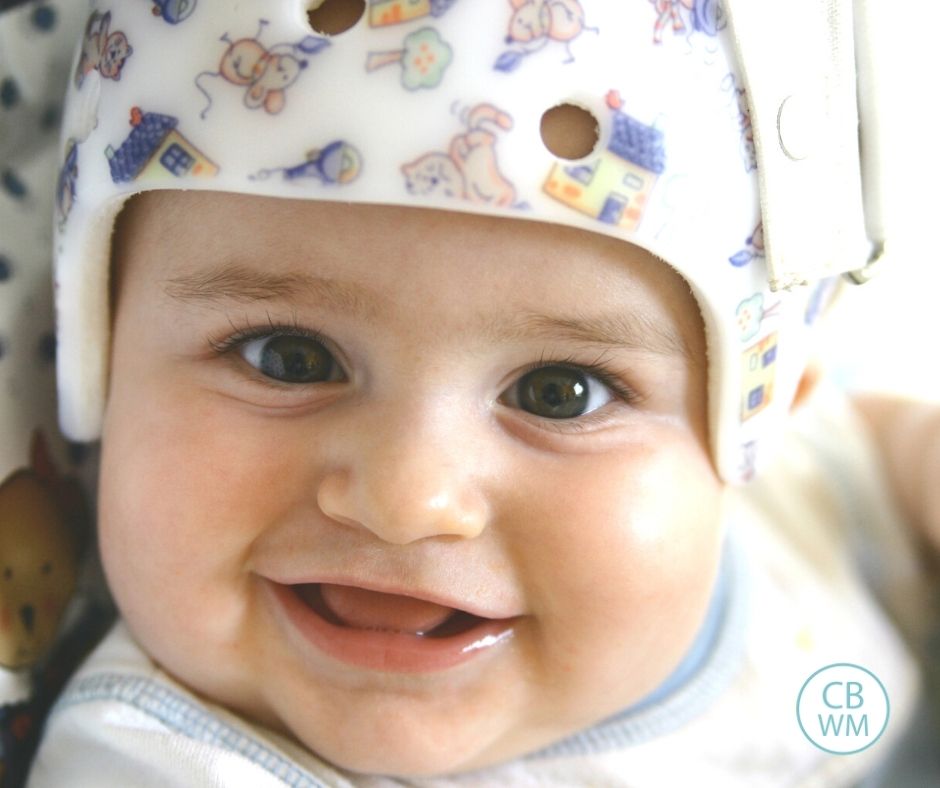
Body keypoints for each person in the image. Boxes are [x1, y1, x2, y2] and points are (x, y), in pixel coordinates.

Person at [12, 0, 940, 784]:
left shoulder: (793, 500)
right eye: (286, 357)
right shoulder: (165, 759)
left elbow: (864, 456)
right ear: (98, 360)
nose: (410, 499)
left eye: (560, 392)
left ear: (760, 420)